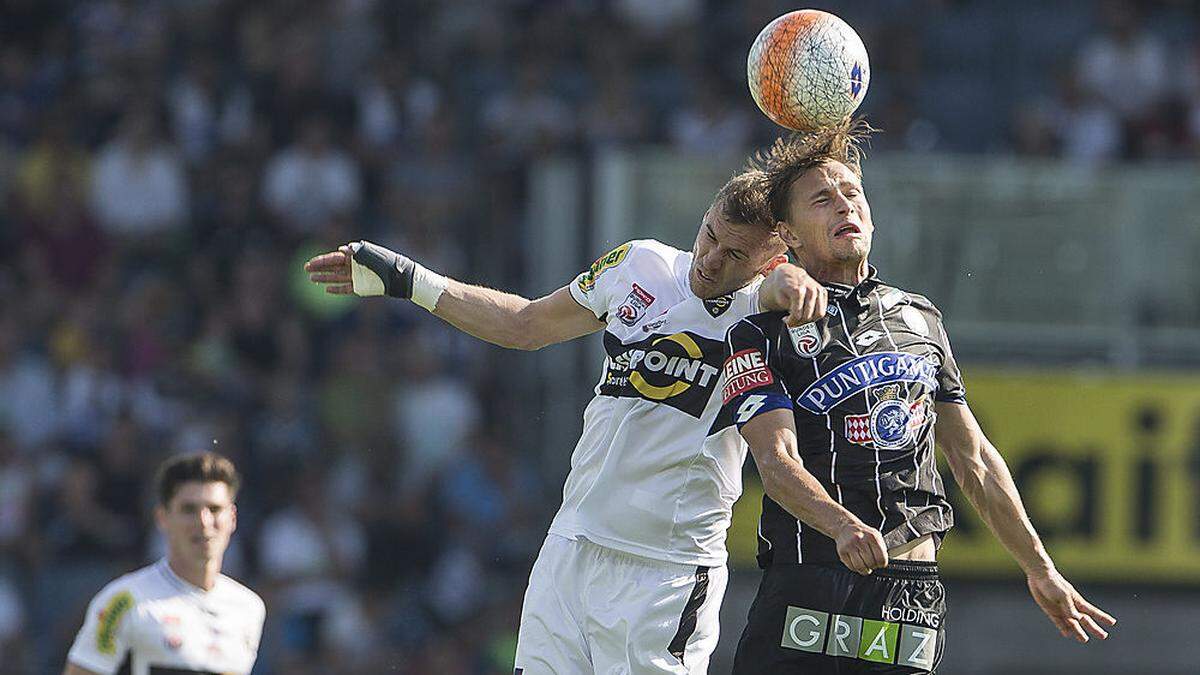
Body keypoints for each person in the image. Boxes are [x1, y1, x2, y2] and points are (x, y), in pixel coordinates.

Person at [304, 169, 826, 674]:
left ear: (769, 261)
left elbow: (787, 287)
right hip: (571, 547)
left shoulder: (760, 314)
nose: (711, 260)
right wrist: (408, 279)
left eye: (735, 254)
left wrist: (795, 279)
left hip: (665, 573)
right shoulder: (639, 265)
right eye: (709, 234)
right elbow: (525, 324)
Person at [719, 123, 1117, 673]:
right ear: (787, 232)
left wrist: (1039, 566)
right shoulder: (761, 332)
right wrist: (841, 526)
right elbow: (776, 462)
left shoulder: (920, 318)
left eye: (853, 194)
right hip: (807, 584)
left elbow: (972, 457)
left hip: (906, 597)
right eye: (822, 199)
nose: (844, 206)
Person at [63, 452, 265, 675]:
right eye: (189, 509)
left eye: (215, 509)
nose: (204, 522)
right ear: (162, 518)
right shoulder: (124, 601)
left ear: (232, 518)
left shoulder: (248, 608)